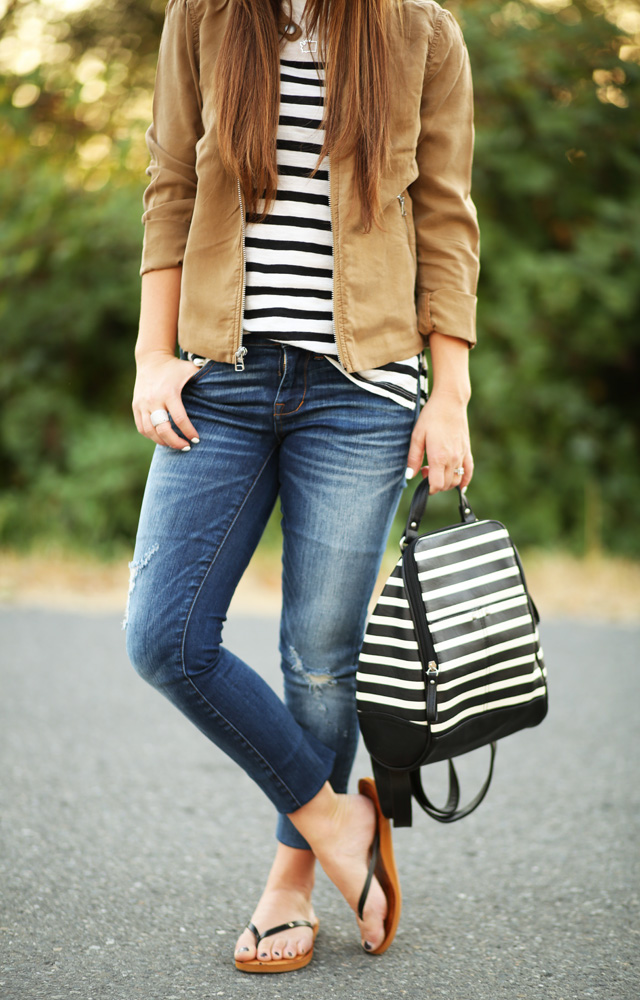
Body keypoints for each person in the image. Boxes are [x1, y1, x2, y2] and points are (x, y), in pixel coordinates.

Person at [125, 0, 479, 974]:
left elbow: (445, 215)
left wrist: (447, 396)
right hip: (220, 379)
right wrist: (153, 356)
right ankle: (336, 821)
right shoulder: (204, 18)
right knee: (163, 638)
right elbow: (168, 185)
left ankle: (288, 882)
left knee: (318, 659)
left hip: (362, 394)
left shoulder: (419, 31)